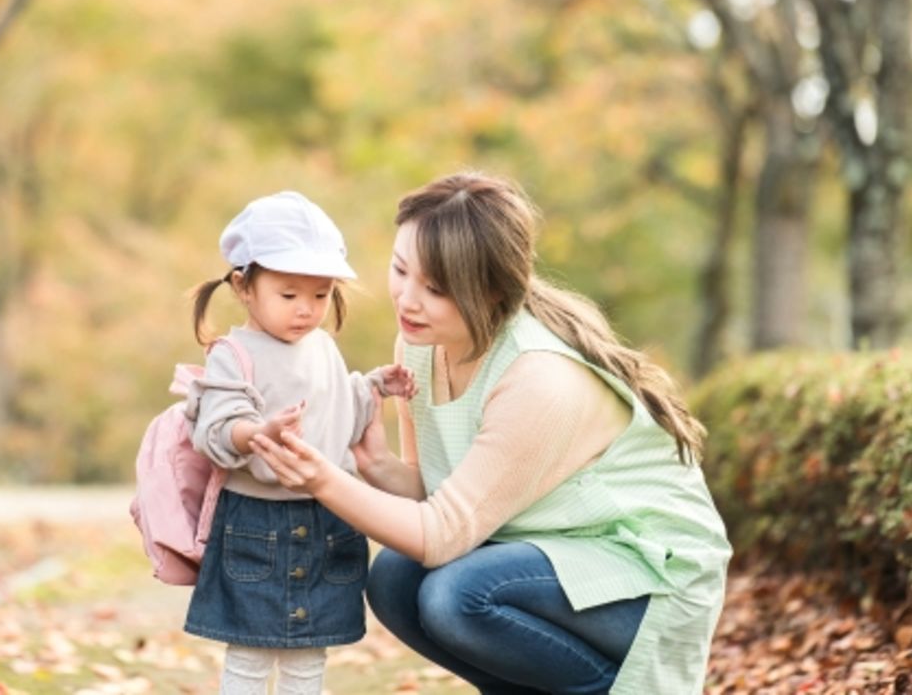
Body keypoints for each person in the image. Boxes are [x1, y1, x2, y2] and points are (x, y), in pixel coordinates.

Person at [248, 172, 733, 694]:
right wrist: (378, 467)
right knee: (394, 578)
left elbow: (440, 536)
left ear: (491, 291)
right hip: (545, 550)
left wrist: (323, 481)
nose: (407, 300)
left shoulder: (539, 378)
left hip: (647, 574)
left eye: (436, 288)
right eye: (400, 270)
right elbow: (445, 497)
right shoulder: (420, 342)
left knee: (458, 596)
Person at [183, 190, 416, 695]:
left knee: (310, 652)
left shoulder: (323, 348)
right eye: (289, 295)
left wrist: (374, 386)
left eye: (321, 295)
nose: (306, 310)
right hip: (256, 523)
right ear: (244, 287)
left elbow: (339, 412)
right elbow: (216, 429)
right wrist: (257, 432)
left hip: (329, 514)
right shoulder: (235, 352)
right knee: (249, 651)